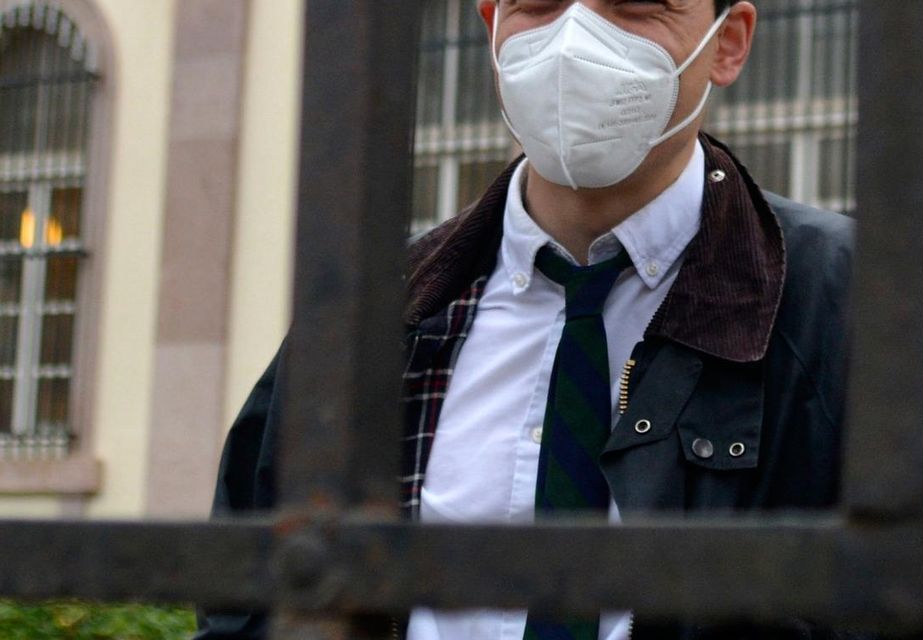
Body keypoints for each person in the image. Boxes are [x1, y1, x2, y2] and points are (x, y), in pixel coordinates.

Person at [196, 1, 858, 638]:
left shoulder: (844, 301)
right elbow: (255, 600)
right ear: (492, 26)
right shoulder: (383, 313)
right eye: (539, 3)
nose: (576, 38)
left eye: (636, 4)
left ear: (728, 42)